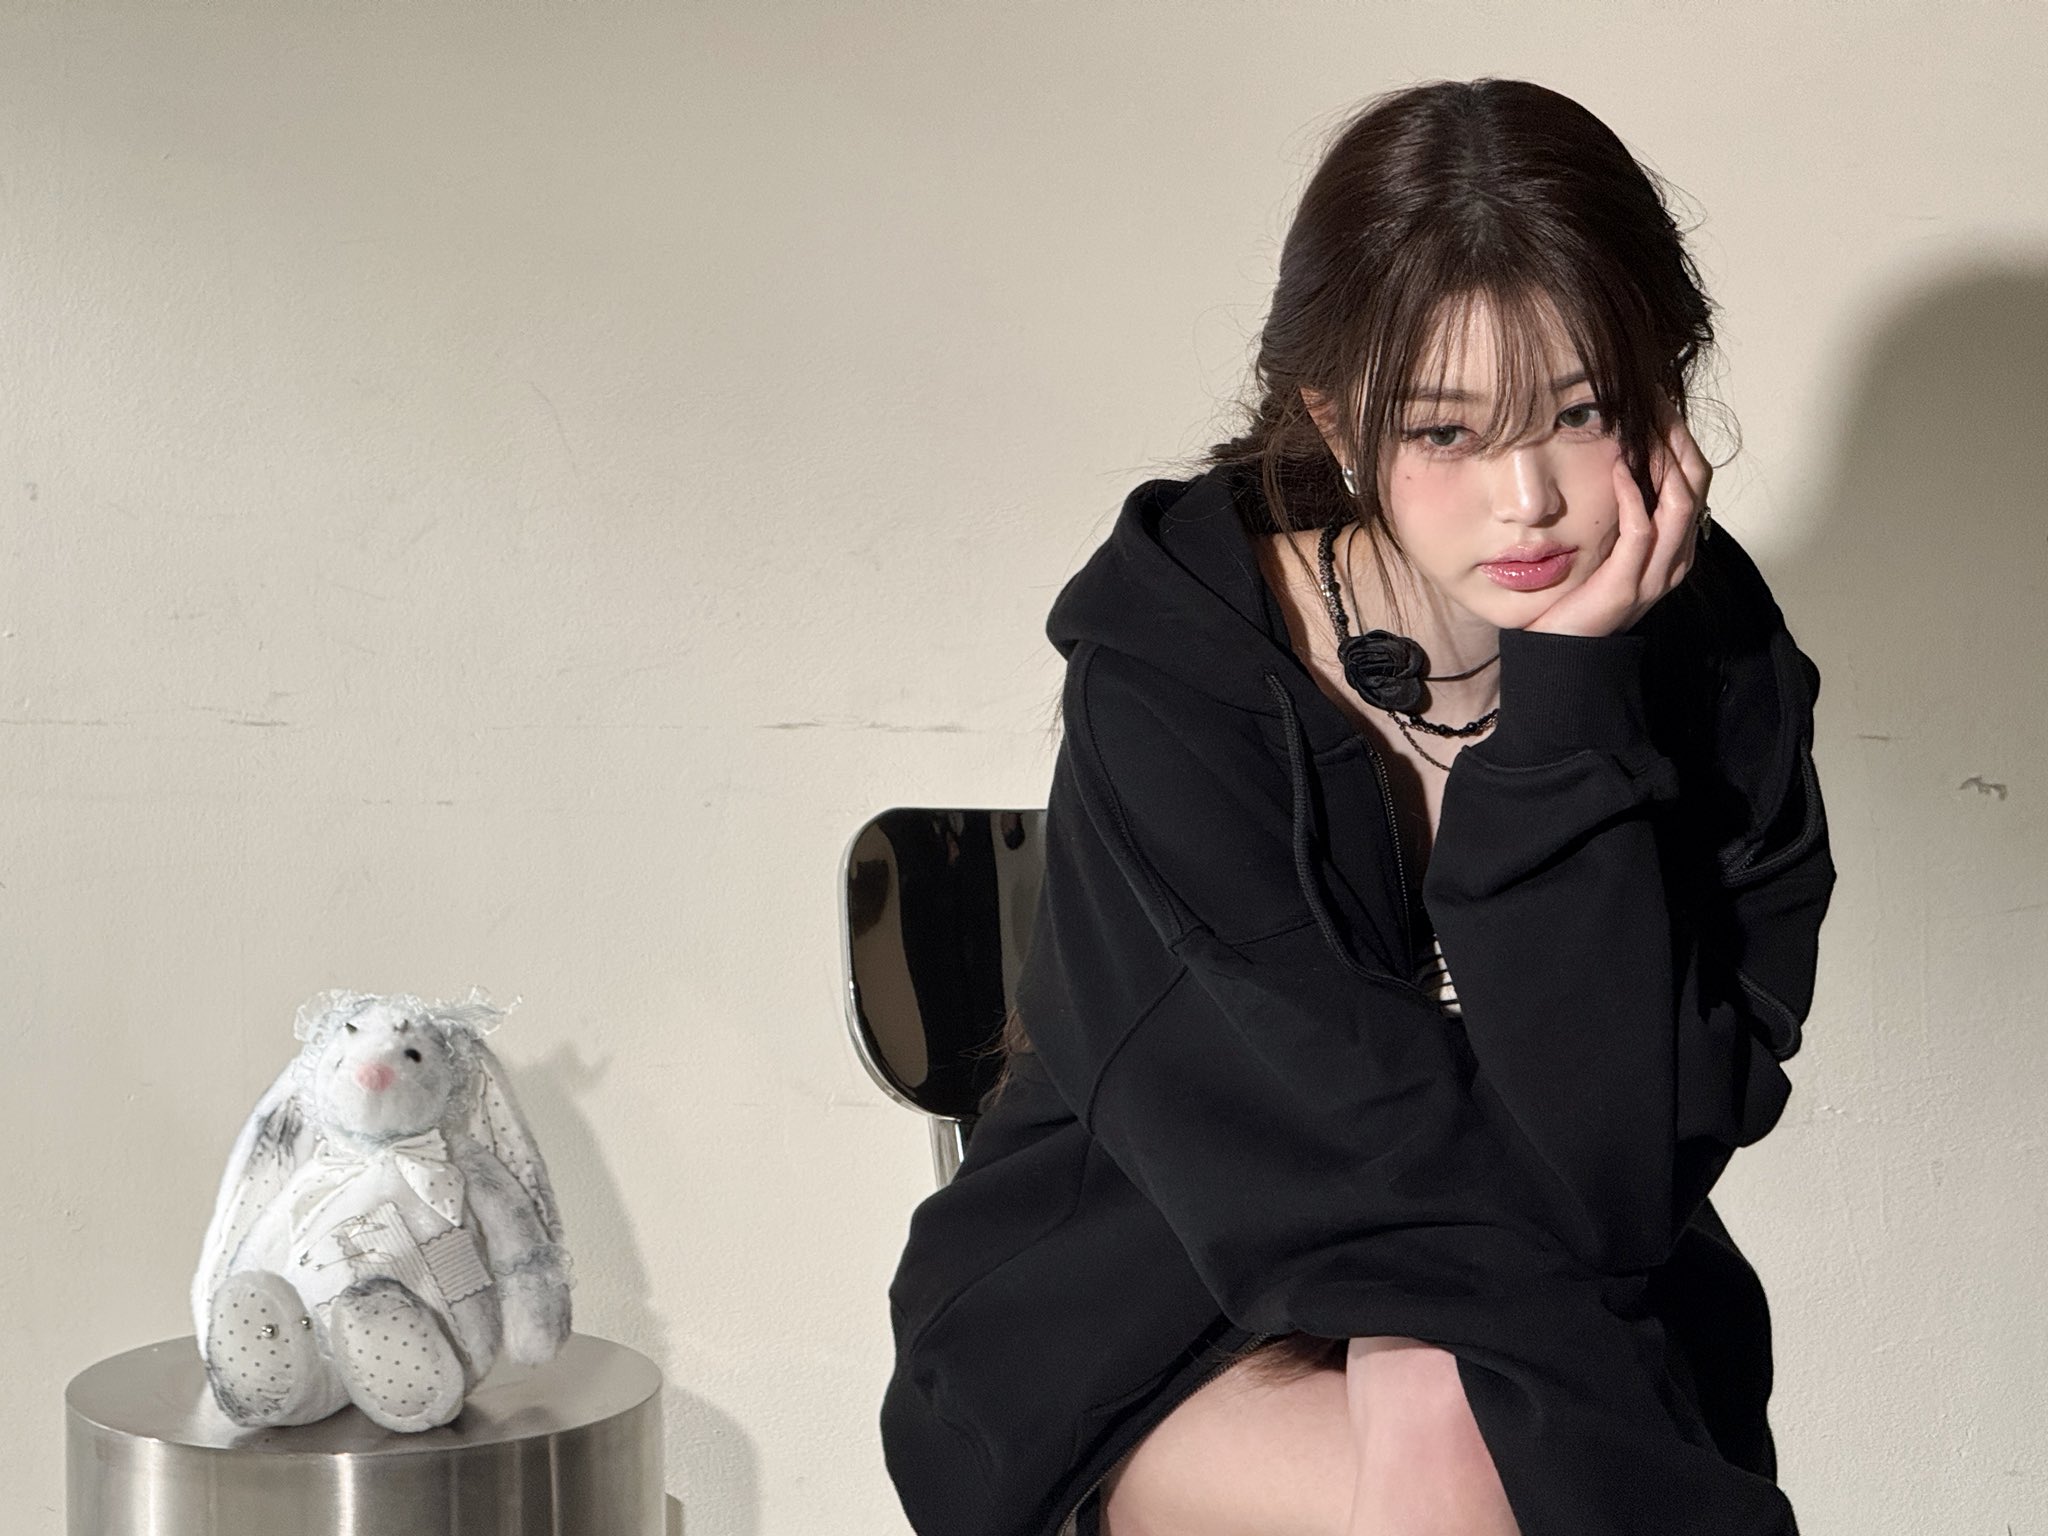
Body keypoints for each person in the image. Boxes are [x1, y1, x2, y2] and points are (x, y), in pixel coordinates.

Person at [879, 76, 1835, 1536]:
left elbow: (1629, 1172)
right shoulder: (1178, 665)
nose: (1528, 498)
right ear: (1335, 420)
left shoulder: (1716, 662)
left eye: (1583, 412)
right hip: (1141, 1293)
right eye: (1445, 433)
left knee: (1486, 1434)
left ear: (1665, 390)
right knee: (1474, 1477)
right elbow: (1305, 1145)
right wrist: (1445, 1360)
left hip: (1547, 1290)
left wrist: (1572, 695)